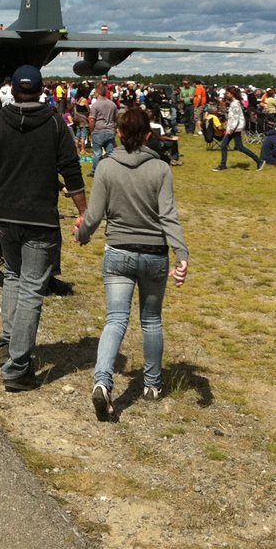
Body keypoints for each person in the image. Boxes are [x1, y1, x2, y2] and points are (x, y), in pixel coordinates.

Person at [0, 65, 87, 392]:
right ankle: (18, 368)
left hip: (5, 216)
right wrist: (83, 213)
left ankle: (8, 343)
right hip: (39, 218)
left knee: (13, 277)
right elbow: (72, 172)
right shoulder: (53, 126)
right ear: (40, 91)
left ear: (12, 91)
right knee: (32, 287)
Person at [76, 108, 189, 420]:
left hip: (119, 253)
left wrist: (83, 233)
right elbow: (168, 215)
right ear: (149, 135)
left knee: (115, 320)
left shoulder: (106, 167)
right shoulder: (161, 169)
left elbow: (95, 215)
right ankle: (152, 385)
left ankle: (102, 380)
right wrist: (182, 253)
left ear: (119, 134)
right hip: (154, 254)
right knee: (151, 320)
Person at [213, 86, 262, 171]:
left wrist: (230, 130)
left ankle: (223, 165)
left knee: (227, 145)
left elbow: (235, 119)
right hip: (234, 128)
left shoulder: (235, 104)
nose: (226, 94)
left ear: (232, 94)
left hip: (235, 129)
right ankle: (258, 160)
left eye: (227, 93)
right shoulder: (234, 103)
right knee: (238, 147)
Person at [87, 83, 118, 176]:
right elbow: (116, 118)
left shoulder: (95, 105)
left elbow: (92, 120)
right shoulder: (112, 104)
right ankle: (112, 170)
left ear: (97, 93)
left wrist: (91, 131)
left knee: (97, 153)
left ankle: (94, 171)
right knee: (111, 152)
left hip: (98, 130)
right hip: (110, 130)